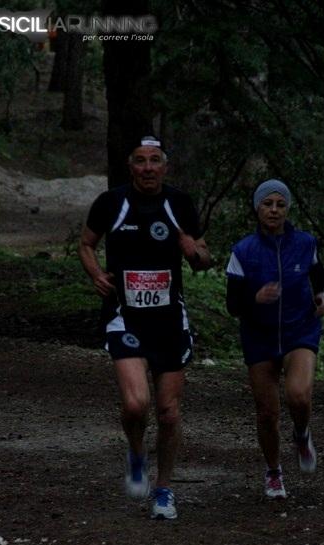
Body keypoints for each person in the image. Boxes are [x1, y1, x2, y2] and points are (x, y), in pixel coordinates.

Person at [79, 135, 211, 520]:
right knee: (136, 404)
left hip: (169, 320)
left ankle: (164, 490)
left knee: (168, 412)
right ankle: (137, 453)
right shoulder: (111, 203)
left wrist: (194, 253)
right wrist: (96, 274)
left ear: (165, 166)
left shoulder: (179, 203)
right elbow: (86, 244)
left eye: (155, 160)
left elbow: (204, 258)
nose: (148, 168)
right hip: (125, 317)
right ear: (130, 166)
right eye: (141, 160)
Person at [226, 179, 324, 499]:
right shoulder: (243, 251)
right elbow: (232, 304)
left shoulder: (305, 243)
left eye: (280, 204)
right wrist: (254, 298)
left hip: (300, 329)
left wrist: (321, 295)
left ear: (287, 209)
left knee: (298, 395)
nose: (274, 210)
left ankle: (301, 433)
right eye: (267, 204)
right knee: (267, 412)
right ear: (257, 208)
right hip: (259, 335)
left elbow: (317, 272)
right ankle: (273, 472)